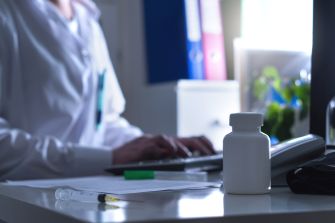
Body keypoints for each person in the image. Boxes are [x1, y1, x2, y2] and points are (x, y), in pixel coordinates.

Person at [0, 0, 214, 180]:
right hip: (24, 204)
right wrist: (108, 159)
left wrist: (159, 147)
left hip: (87, 195)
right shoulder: (7, 14)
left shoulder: (88, 20)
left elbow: (103, 124)